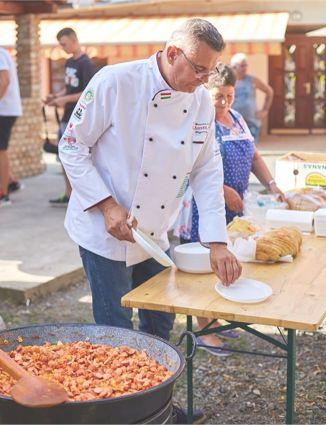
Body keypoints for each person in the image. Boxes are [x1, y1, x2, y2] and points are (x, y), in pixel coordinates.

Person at [58, 19, 242, 422]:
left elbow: (206, 171)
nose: (203, 79)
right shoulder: (116, 82)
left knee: (160, 319)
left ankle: (158, 410)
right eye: (198, 69)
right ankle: (119, 414)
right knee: (116, 330)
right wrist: (107, 206)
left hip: (155, 233)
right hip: (104, 232)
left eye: (209, 71)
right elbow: (71, 146)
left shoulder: (201, 102)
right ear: (172, 53)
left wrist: (217, 241)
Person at [177, 63, 284, 355]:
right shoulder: (198, 121)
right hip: (204, 206)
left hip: (235, 211)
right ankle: (204, 330)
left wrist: (272, 184)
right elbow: (189, 165)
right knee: (201, 267)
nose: (224, 102)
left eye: (229, 95)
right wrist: (222, 192)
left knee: (229, 263)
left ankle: (220, 318)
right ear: (204, 92)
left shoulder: (237, 118)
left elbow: (255, 157)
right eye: (217, 95)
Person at [44, 27, 95, 207]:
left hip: (79, 116)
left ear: (74, 40)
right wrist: (56, 97)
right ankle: (69, 193)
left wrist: (64, 99)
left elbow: (88, 92)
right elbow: (70, 87)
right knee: (64, 156)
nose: (63, 48)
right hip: (66, 114)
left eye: (64, 44)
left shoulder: (86, 64)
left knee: (75, 157)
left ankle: (78, 196)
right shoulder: (69, 63)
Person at [230, 53, 274, 142]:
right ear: (234, 66)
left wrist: (265, 110)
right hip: (233, 123)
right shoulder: (229, 81)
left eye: (246, 65)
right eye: (242, 66)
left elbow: (269, 92)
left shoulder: (252, 80)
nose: (245, 68)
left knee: (251, 150)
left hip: (251, 123)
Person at [0, 47, 22, 207]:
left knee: (1, 151)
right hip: (7, 110)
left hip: (4, 111)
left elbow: (4, 81)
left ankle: (3, 195)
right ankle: (12, 181)